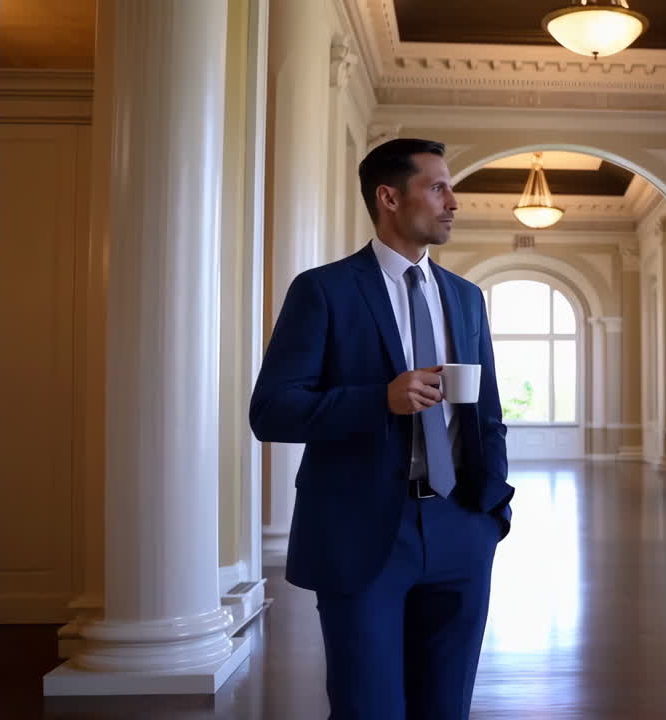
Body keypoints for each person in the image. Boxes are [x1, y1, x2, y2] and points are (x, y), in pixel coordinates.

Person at [249, 138, 512, 719]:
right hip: (361, 533)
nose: (453, 202)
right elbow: (271, 411)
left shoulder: (466, 298)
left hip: (461, 527)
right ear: (389, 198)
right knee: (367, 707)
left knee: (446, 708)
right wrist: (379, 400)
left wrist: (491, 512)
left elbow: (487, 415)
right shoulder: (324, 290)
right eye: (438, 188)